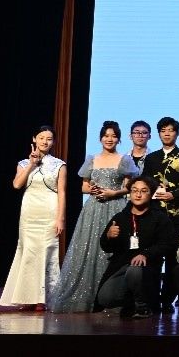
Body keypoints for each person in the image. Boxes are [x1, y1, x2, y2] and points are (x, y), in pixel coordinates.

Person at [51, 121, 141, 313]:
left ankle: (110, 296)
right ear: (100, 138)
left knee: (113, 249)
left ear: (118, 139)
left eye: (114, 136)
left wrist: (113, 193)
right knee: (88, 248)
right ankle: (86, 297)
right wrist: (91, 190)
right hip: (93, 209)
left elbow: (129, 188)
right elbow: (83, 187)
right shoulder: (92, 159)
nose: (109, 139)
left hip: (115, 207)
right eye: (106, 136)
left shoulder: (124, 159)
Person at [1, 126, 67, 310]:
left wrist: (60, 218)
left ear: (53, 142)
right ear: (34, 139)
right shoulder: (23, 163)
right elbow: (16, 184)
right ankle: (26, 297)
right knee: (29, 253)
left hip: (50, 210)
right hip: (29, 212)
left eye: (49, 139)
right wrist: (31, 163)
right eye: (41, 138)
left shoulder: (59, 165)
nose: (45, 141)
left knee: (46, 252)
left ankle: (43, 299)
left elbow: (62, 193)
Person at [95, 176, 174, 319]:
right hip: (122, 265)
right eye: (134, 190)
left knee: (135, 270)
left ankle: (143, 307)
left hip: (146, 267)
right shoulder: (120, 217)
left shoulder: (160, 218)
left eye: (143, 191)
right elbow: (106, 247)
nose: (138, 194)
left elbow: (167, 244)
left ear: (151, 194)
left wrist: (146, 254)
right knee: (105, 298)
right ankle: (130, 303)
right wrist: (108, 236)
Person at [142, 117, 179, 312]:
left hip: (178, 217)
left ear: (177, 133)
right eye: (163, 130)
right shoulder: (151, 158)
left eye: (170, 130)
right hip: (155, 215)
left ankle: (167, 300)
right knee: (153, 258)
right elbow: (145, 183)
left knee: (174, 258)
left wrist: (174, 194)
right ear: (158, 133)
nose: (167, 133)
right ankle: (151, 300)